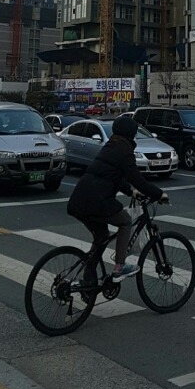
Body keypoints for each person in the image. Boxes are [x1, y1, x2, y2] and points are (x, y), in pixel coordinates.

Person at [66, 113, 167, 280]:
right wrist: (159, 194)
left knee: (101, 237)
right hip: (97, 200)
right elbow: (137, 179)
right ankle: (119, 267)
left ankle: (88, 279)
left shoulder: (110, 147)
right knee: (125, 221)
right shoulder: (125, 150)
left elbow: (112, 175)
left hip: (80, 199)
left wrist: (131, 192)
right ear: (131, 134)